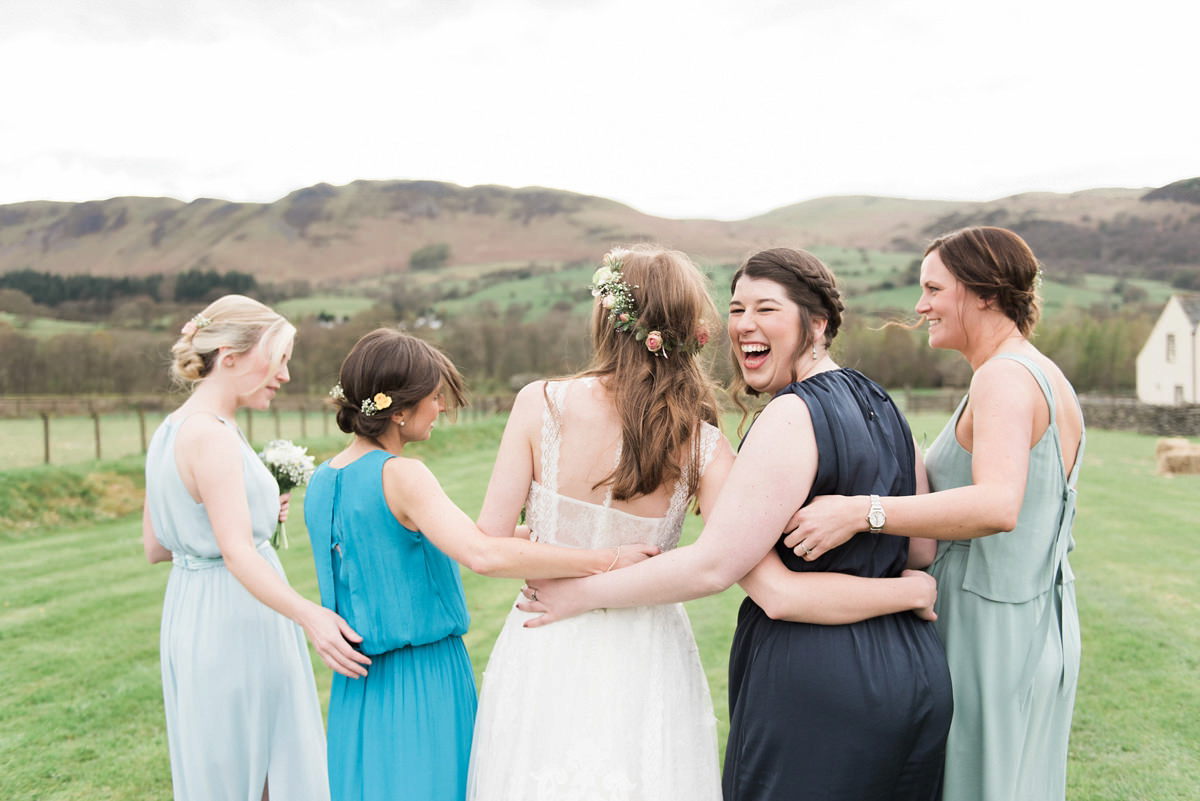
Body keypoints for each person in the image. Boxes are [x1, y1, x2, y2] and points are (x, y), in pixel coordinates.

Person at [521, 247, 953, 801]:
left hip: (821, 680)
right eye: (737, 308)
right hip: (915, 673)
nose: (745, 324)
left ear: (817, 323)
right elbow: (919, 549)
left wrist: (581, 596)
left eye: (767, 309)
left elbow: (716, 565)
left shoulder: (792, 414)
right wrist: (903, 589)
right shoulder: (885, 404)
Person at [784, 226, 1084, 801]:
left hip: (985, 626)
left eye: (933, 289)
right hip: (1044, 622)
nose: (920, 306)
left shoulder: (1003, 376)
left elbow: (998, 505)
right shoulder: (1043, 373)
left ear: (985, 294)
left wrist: (861, 512)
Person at [303, 328, 658, 801]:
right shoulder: (403, 475)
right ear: (400, 410)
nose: (442, 407)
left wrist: (558, 532)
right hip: (422, 682)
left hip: (357, 687)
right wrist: (606, 558)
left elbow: (445, 538)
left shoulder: (323, 480)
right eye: (435, 397)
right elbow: (482, 553)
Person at [466, 244, 735, 800]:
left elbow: (489, 542)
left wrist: (551, 547)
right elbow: (726, 557)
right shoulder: (705, 442)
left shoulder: (541, 404)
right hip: (648, 646)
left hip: (546, 632)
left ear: (607, 316)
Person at [142, 294, 369, 801]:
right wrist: (311, 615)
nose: (285, 375)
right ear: (230, 357)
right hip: (238, 619)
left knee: (223, 762)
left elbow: (156, 545)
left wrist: (253, 511)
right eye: (279, 359)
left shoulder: (170, 429)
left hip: (190, 612)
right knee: (265, 767)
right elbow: (238, 555)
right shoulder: (213, 436)